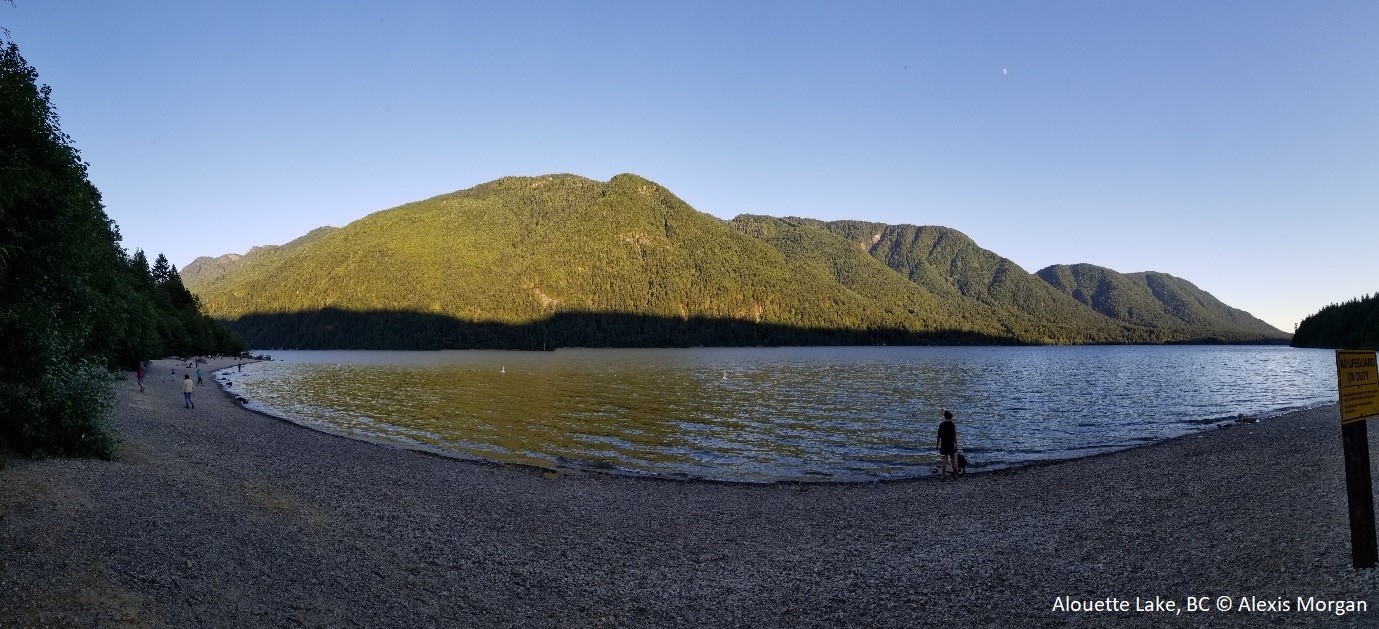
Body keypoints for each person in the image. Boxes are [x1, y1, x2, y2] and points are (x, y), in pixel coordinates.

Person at [937, 409, 958, 480]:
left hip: (944, 445)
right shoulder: (952, 425)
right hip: (951, 445)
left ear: (944, 416)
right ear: (951, 417)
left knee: (944, 462)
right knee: (953, 461)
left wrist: (937, 445)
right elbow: (954, 436)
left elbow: (939, 436)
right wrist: (956, 444)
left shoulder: (941, 425)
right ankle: (955, 476)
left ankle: (943, 476)